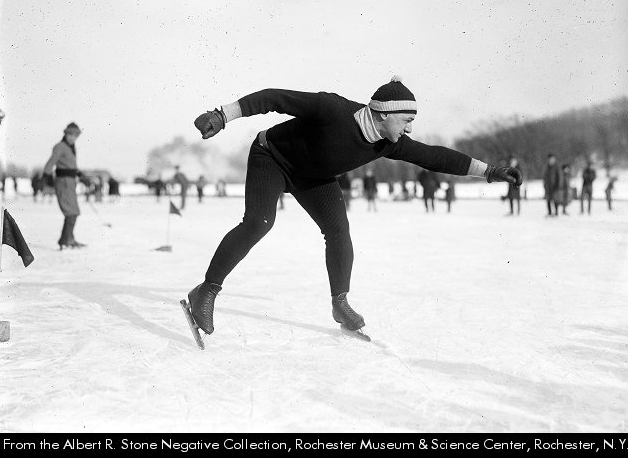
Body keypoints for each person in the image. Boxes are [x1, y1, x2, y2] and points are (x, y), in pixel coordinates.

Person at [188, 77, 522, 337]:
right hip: (271, 158)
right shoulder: (333, 110)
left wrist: (489, 171)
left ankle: (340, 303)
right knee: (259, 222)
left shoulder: (387, 144)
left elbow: (434, 156)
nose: (409, 128)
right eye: (406, 120)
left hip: (314, 178)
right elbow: (274, 98)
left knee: (338, 230)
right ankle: (206, 290)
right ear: (384, 114)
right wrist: (223, 115)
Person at [42, 122, 86, 249]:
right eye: (70, 134)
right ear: (65, 134)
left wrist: (80, 174)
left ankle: (68, 239)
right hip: (63, 182)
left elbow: (70, 165)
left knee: (74, 211)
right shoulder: (60, 146)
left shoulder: (71, 147)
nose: (72, 137)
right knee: (71, 212)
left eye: (75, 135)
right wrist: (46, 177)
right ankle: (66, 241)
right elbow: (50, 162)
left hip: (70, 182)